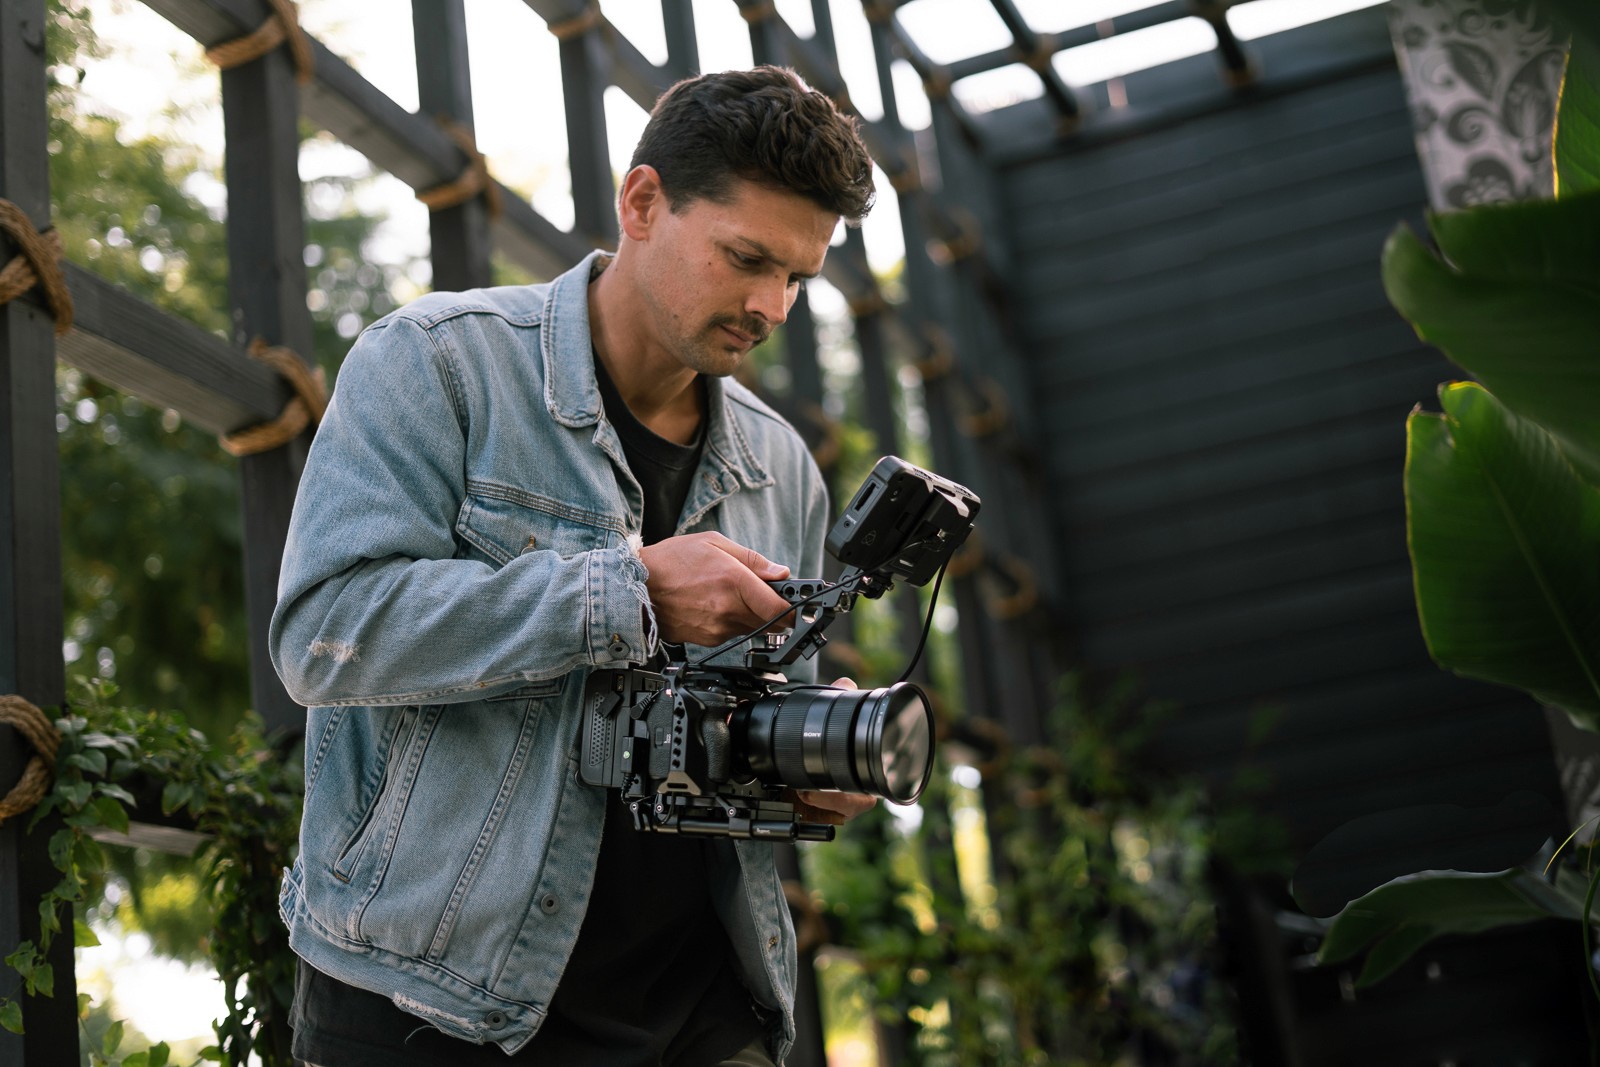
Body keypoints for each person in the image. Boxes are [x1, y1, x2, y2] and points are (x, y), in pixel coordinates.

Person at [269, 65, 878, 1066]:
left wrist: (809, 758)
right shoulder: (435, 364)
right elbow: (324, 633)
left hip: (707, 1014)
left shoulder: (782, 468)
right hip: (436, 1007)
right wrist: (626, 592)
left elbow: (743, 731)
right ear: (642, 203)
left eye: (798, 277)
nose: (770, 304)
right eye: (745, 257)